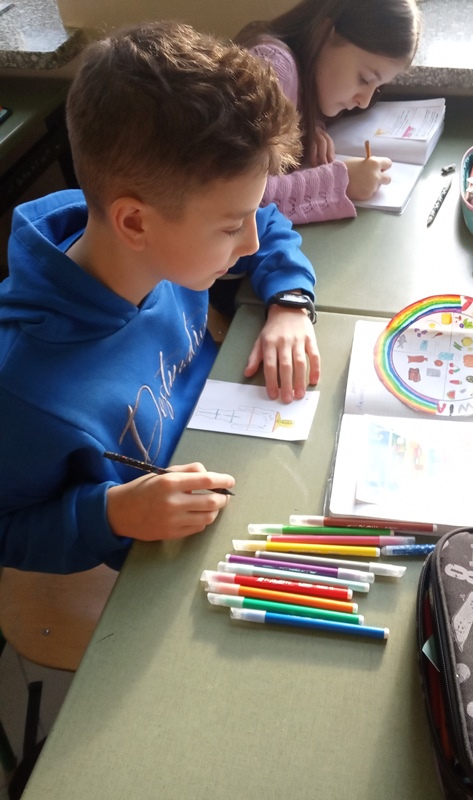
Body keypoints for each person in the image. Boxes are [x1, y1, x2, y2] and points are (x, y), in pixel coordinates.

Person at [0, 21, 321, 574]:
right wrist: (109, 514)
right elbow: (8, 530)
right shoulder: (21, 389)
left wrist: (290, 300)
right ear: (134, 222)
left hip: (232, 443)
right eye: (230, 227)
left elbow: (267, 224)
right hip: (162, 559)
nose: (250, 241)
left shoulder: (163, 247)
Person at [235, 0, 421, 224]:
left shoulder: (310, 81)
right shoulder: (272, 68)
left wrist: (305, 126)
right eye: (365, 79)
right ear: (324, 34)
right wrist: (341, 182)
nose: (364, 102)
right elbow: (239, 198)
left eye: (378, 87)